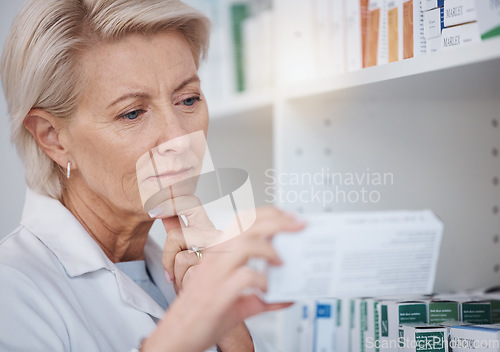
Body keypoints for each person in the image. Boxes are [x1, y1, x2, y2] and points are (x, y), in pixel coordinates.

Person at [0, 0, 305, 351]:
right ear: (52, 137)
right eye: (132, 114)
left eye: (188, 100)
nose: (178, 138)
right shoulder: (12, 290)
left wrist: (233, 334)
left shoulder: (183, 269)